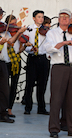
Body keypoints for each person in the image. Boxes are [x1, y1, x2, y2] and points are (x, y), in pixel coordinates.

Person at [0, 5, 27, 123]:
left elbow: (11, 42)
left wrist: (18, 32)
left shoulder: (3, 27)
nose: (1, 17)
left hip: (2, 61)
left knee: (3, 90)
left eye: (2, 15)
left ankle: (3, 114)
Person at [45, 9, 72, 138]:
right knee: (56, 99)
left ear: (71, 20)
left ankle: (69, 127)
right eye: (61, 17)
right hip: (59, 67)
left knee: (71, 99)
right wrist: (63, 43)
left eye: (67, 17)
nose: (64, 19)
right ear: (59, 19)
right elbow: (48, 48)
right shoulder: (52, 33)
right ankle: (54, 129)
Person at [4, 15, 32, 118]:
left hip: (16, 61)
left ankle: (10, 109)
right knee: (4, 86)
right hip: (6, 61)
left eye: (16, 24)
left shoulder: (18, 34)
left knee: (14, 86)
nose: (14, 26)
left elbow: (19, 50)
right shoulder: (5, 33)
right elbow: (9, 43)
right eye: (12, 24)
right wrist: (19, 33)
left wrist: (24, 46)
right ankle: (3, 109)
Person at [23, 10, 50, 115]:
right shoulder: (28, 29)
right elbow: (25, 45)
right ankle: (28, 107)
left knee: (42, 84)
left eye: (42, 17)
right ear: (34, 18)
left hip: (43, 59)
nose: (41, 19)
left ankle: (41, 108)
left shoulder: (47, 31)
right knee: (29, 83)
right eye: (39, 17)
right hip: (32, 58)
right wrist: (30, 49)